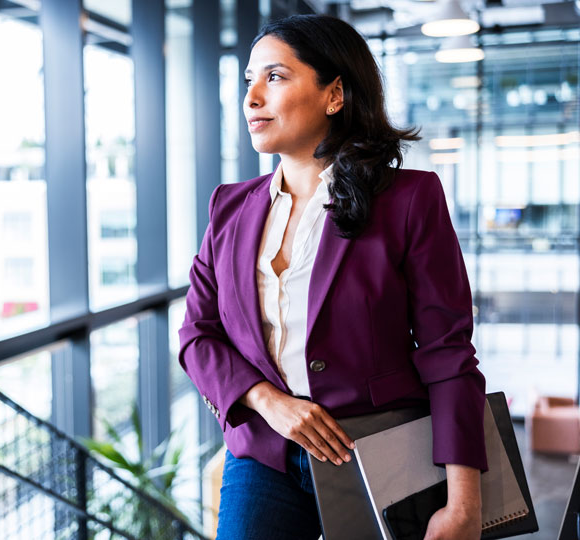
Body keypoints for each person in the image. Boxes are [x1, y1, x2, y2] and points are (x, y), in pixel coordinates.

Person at [178, 13, 488, 540]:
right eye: (248, 80)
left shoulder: (409, 200)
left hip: (381, 452)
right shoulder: (228, 209)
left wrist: (464, 503)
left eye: (274, 77)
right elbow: (197, 336)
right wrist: (267, 401)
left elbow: (447, 350)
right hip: (266, 455)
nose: (252, 96)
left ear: (335, 94)